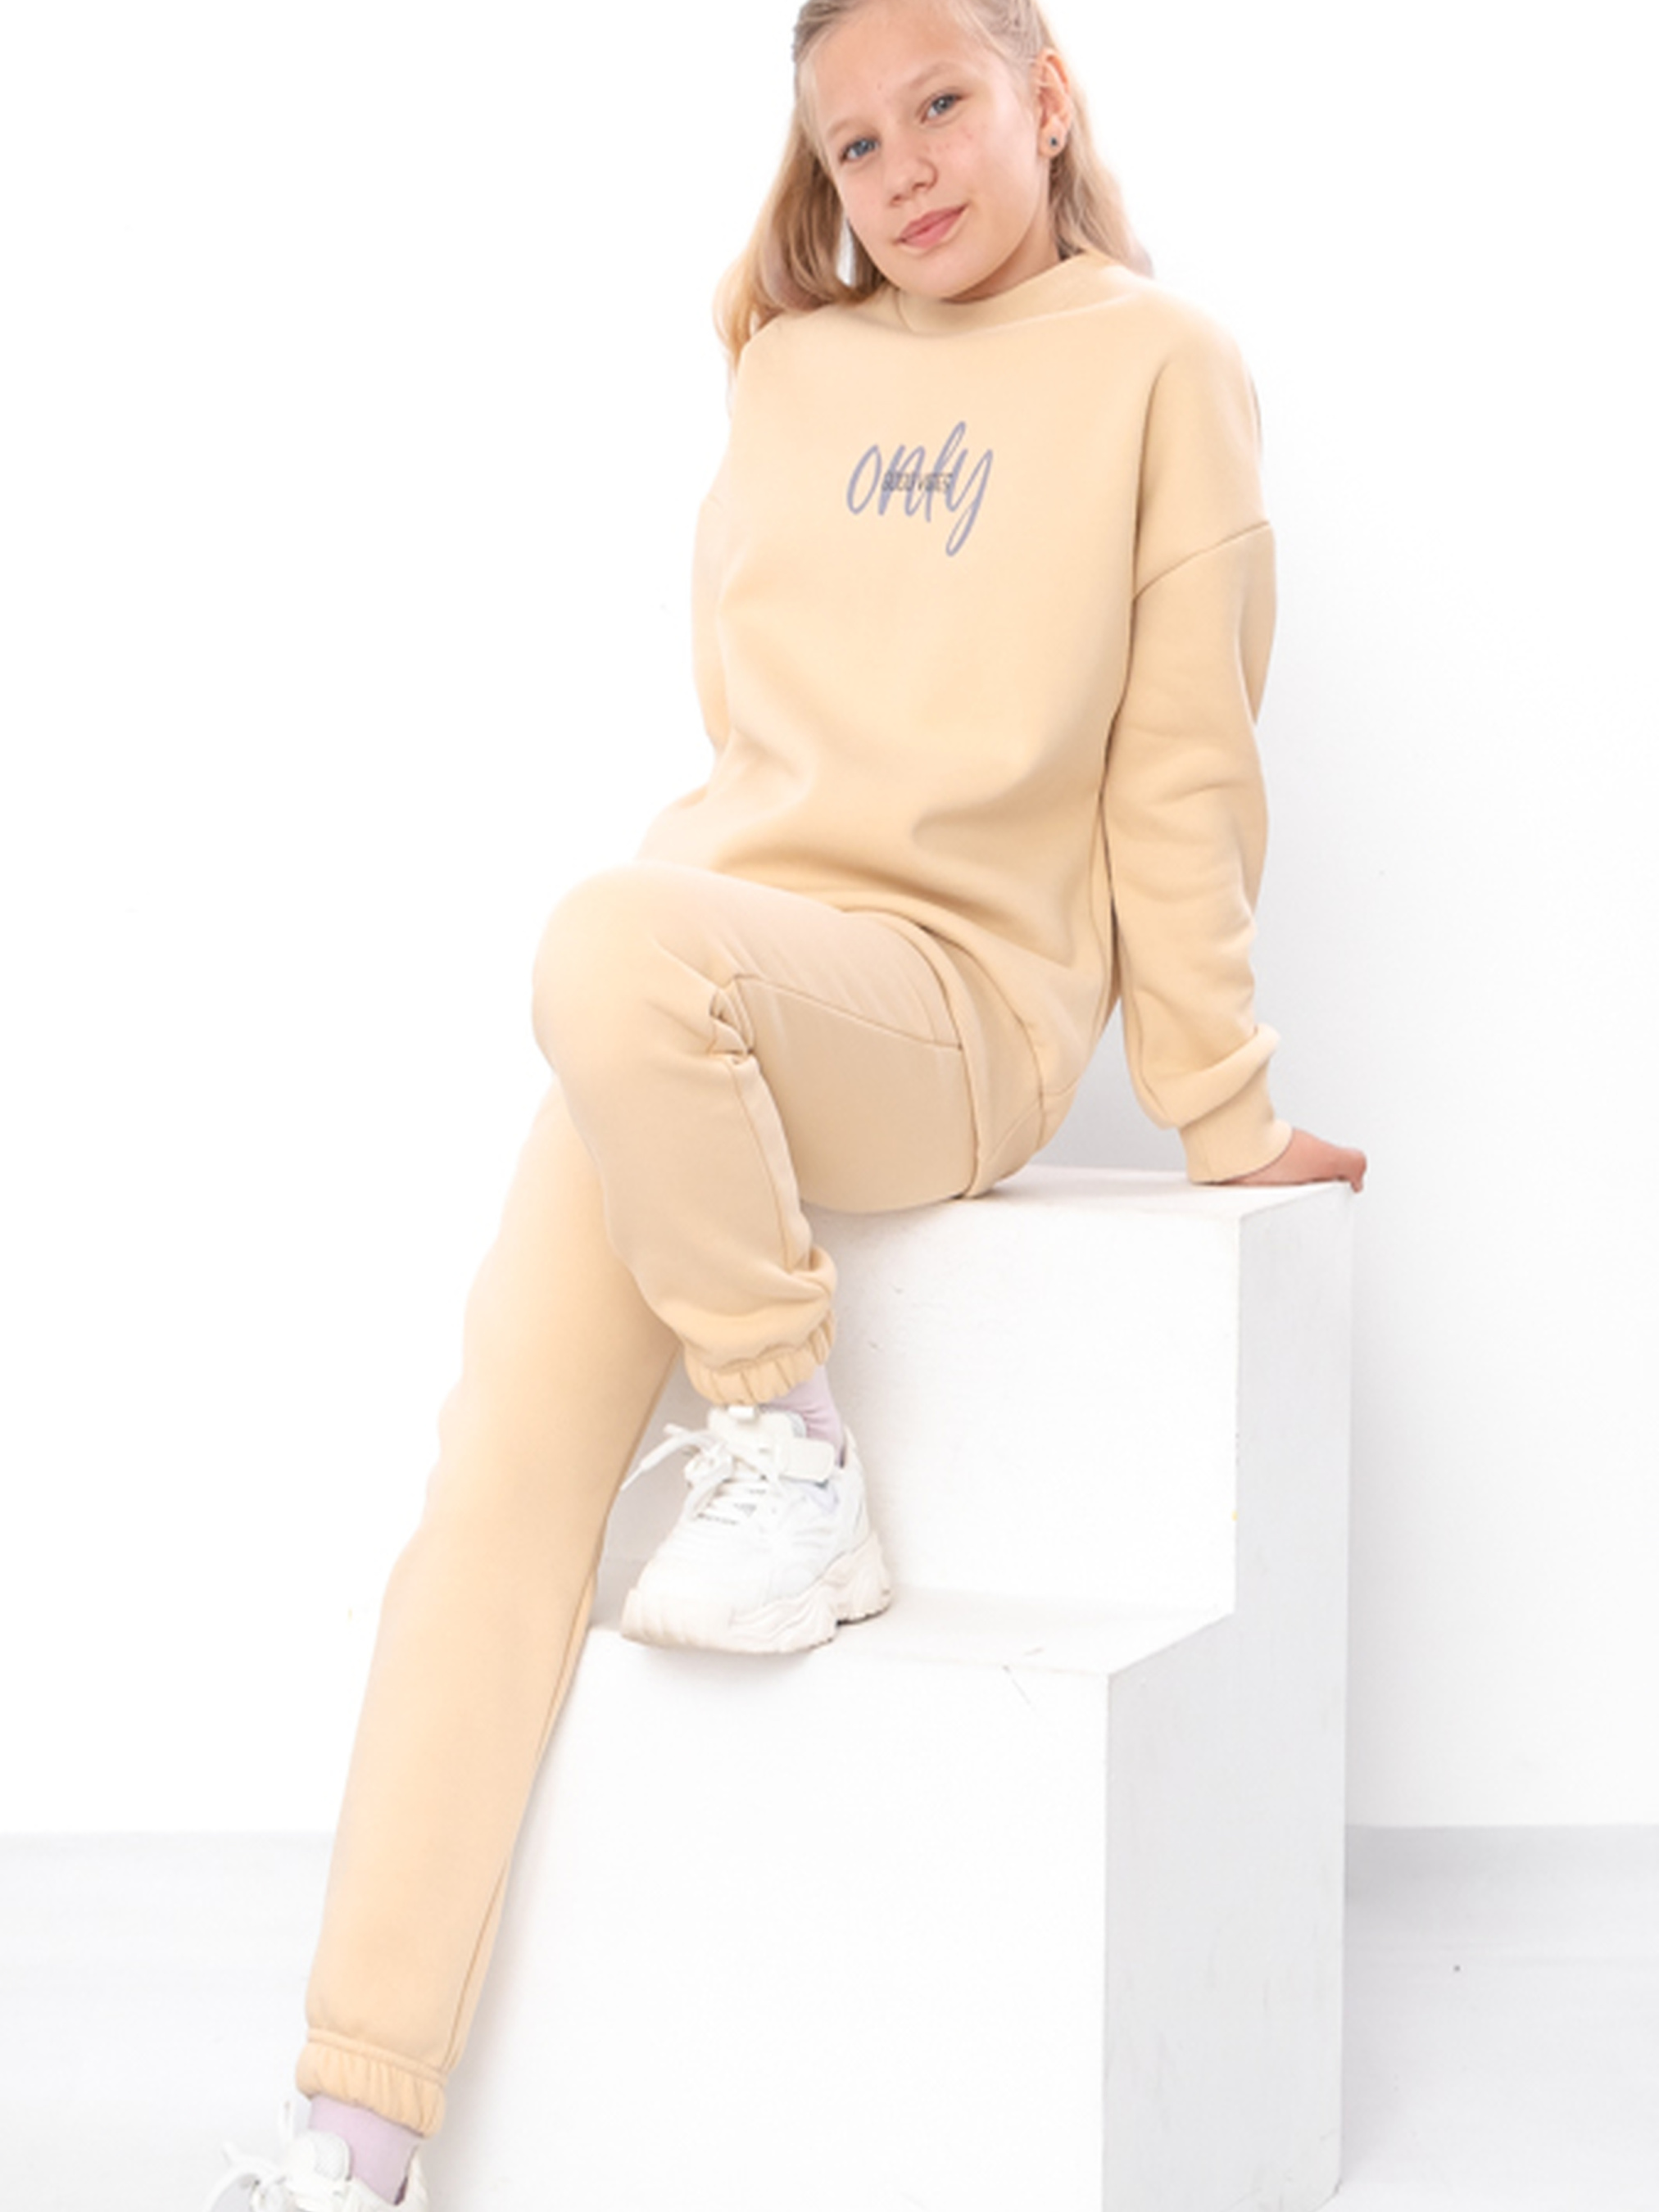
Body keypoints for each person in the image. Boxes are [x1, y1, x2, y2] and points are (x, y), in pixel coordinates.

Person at [206, 0, 1366, 2204]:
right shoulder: (788, 374)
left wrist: (1217, 1104)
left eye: (942, 104)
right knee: (492, 1490)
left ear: (1045, 99)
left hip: (950, 1006)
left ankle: (791, 1452)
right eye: (853, 144)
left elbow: (1182, 762)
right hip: (710, 992)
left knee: (606, 937)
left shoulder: (1159, 366)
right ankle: (354, 2122)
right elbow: (756, 746)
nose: (902, 166)